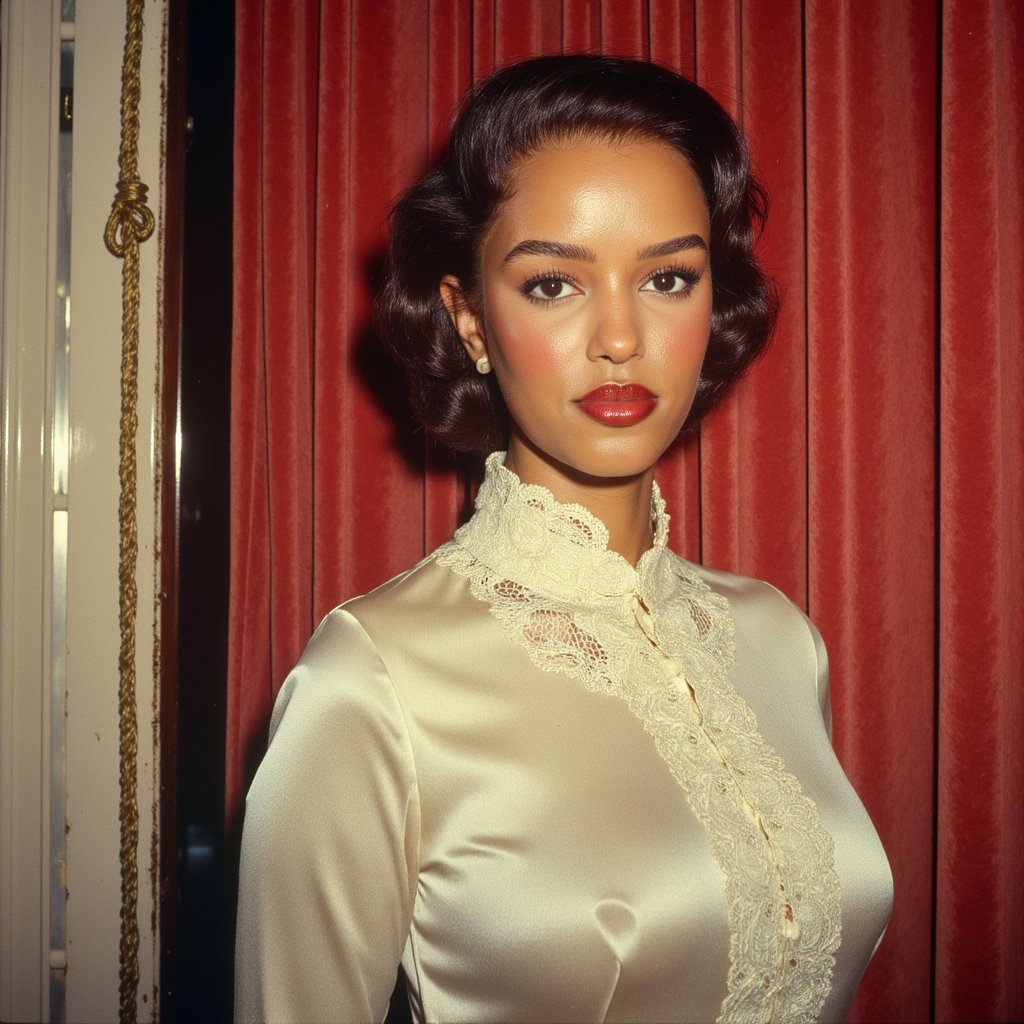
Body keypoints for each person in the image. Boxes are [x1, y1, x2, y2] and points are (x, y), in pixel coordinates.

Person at [235, 55, 893, 1023]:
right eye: (553, 285)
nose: (620, 335)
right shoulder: (369, 686)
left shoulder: (779, 640)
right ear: (467, 319)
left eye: (668, 276)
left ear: (713, 304)